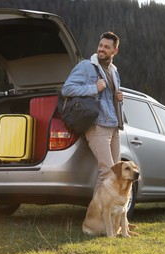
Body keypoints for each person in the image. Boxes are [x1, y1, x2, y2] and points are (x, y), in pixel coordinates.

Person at [62, 31, 124, 195]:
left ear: (114, 51)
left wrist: (119, 98)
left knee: (116, 172)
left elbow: (109, 99)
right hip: (98, 127)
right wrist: (94, 88)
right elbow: (67, 89)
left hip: (114, 126)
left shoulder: (114, 71)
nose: (102, 49)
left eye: (107, 47)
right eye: (100, 45)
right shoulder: (86, 66)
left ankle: (107, 215)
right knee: (107, 172)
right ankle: (95, 217)